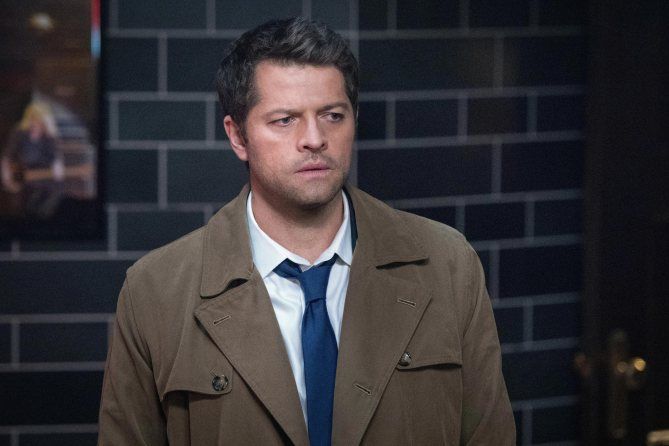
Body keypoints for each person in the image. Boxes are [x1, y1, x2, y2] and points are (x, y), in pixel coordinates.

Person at [98, 17, 515, 445]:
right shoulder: (156, 291)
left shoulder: (448, 265)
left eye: (333, 115)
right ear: (237, 136)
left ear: (354, 120)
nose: (314, 138)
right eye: (284, 120)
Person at [0, 102, 65, 218]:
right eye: (33, 119)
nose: (35, 123)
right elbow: (7, 156)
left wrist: (57, 165)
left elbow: (56, 157)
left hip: (42, 174)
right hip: (21, 173)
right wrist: (6, 175)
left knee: (55, 191)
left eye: (39, 121)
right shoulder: (18, 132)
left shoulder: (49, 135)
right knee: (19, 201)